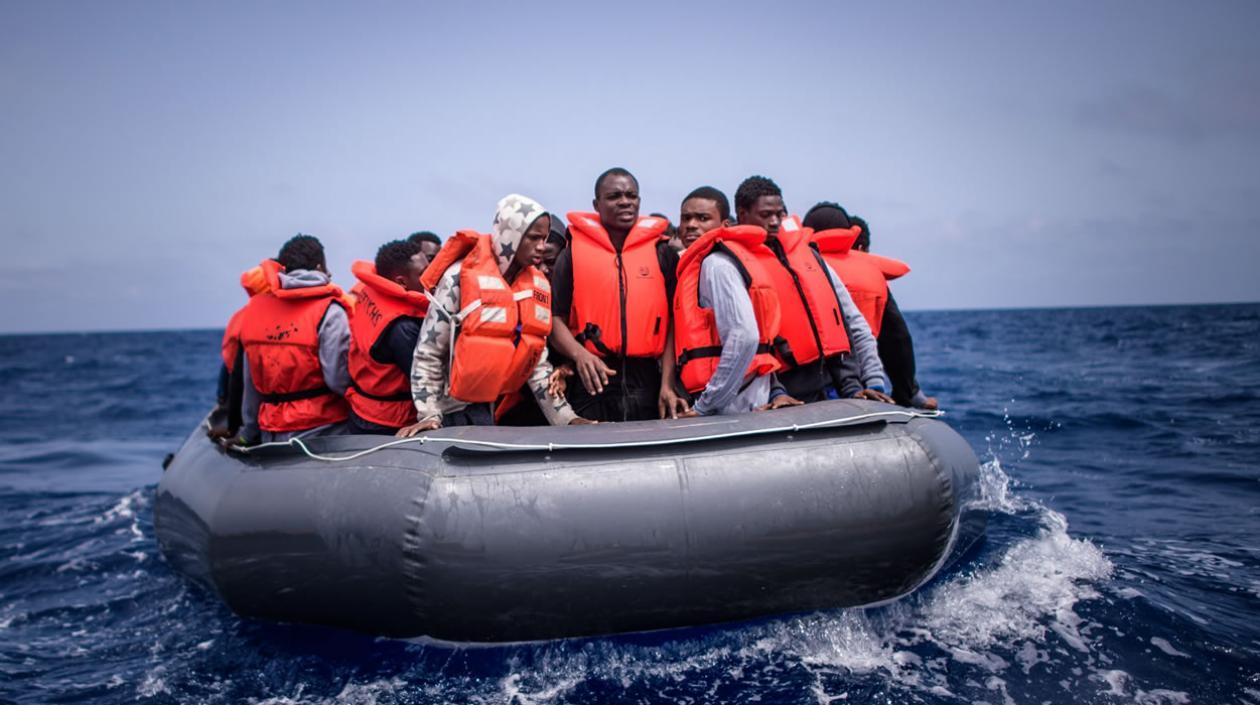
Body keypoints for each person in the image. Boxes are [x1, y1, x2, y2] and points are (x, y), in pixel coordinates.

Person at [398, 194, 590, 435]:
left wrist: (568, 419)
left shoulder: (536, 287)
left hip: (484, 408)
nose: (541, 246)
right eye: (533, 238)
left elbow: (536, 364)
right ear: (511, 234)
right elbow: (428, 353)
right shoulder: (458, 277)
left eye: (543, 238)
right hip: (445, 414)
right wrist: (429, 415)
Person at [549, 167, 690, 421]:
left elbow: (672, 323)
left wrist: (667, 384)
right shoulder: (571, 255)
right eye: (614, 196)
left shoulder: (663, 253)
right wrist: (580, 355)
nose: (625, 201)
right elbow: (555, 319)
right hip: (593, 380)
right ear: (597, 204)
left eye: (631, 195)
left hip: (648, 381)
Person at [733, 176, 891, 403]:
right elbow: (748, 339)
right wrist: (776, 392)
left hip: (827, 385)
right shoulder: (733, 265)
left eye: (780, 214)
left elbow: (841, 323)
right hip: (777, 392)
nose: (775, 222)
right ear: (742, 214)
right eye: (766, 215)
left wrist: (853, 387)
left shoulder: (809, 256)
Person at [673, 187, 800, 415]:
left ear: (724, 225)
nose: (691, 225)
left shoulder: (716, 265)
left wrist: (705, 406)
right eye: (686, 218)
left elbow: (744, 336)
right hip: (741, 398)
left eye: (703, 218)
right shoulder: (717, 261)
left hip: (731, 406)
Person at [805, 204, 937, 409]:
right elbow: (898, 340)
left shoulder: (801, 269)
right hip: (864, 380)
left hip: (813, 385)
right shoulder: (871, 274)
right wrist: (906, 392)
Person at [235, 234, 352, 444]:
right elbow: (337, 380)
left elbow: (250, 385)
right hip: (323, 429)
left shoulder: (253, 312)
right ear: (319, 267)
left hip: (270, 432)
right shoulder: (330, 311)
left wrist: (248, 433)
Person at [344, 239, 432, 434]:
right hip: (389, 422)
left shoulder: (369, 291)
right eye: (424, 273)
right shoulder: (402, 328)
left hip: (361, 408)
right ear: (401, 282)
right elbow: (427, 380)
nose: (433, 278)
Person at [211, 260, 278, 438]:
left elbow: (231, 371)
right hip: (259, 407)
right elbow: (239, 377)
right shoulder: (263, 319)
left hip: (237, 396)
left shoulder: (241, 317)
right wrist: (235, 429)